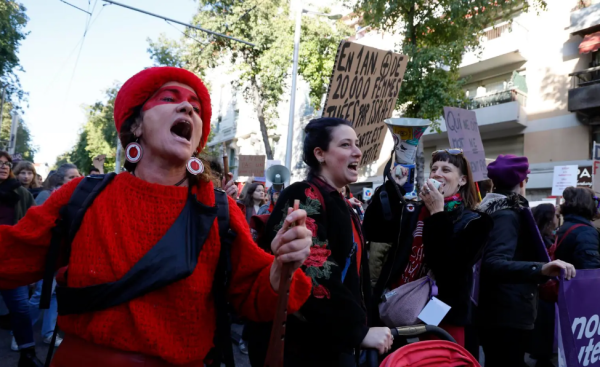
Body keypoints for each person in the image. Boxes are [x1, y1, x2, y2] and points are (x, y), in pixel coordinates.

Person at [0, 66, 313, 367]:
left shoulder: (220, 209)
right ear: (136, 124)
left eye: (195, 107)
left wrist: (280, 268)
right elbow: (11, 258)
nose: (188, 109)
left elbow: (255, 297)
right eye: (169, 98)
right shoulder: (84, 194)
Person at [247, 117, 391, 366]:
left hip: (333, 344)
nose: (357, 151)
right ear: (320, 154)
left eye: (356, 144)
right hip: (305, 348)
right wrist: (358, 331)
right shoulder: (302, 195)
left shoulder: (342, 203)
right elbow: (312, 271)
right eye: (346, 145)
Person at [364, 148, 492, 351]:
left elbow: (448, 268)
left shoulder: (476, 222)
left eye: (446, 169)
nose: (437, 174)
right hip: (397, 309)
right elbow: (373, 230)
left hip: (441, 317)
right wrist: (392, 187)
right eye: (434, 169)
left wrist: (437, 214)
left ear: (462, 181)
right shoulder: (412, 210)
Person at [477, 155, 577, 367]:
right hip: (505, 314)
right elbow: (494, 262)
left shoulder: (495, 209)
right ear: (523, 182)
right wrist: (541, 268)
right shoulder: (506, 214)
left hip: (501, 311)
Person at [0, 151, 39, 366]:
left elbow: (34, 227)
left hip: (10, 262)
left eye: (6, 163)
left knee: (21, 308)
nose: (3, 167)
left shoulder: (22, 194)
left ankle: (28, 354)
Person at [530, 203, 560, 367]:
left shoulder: (536, 237)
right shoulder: (547, 241)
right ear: (549, 219)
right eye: (555, 215)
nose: (557, 219)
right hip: (544, 292)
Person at [554, 187, 600, 269]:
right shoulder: (585, 232)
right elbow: (590, 269)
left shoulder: (566, 226)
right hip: (577, 280)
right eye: (595, 202)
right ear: (589, 205)